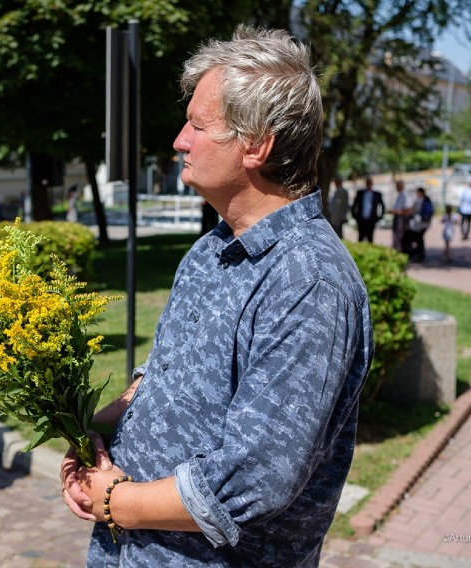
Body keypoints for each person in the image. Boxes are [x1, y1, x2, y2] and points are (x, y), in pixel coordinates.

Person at [61, 26, 373, 567]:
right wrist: (92, 428)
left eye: (198, 125)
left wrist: (113, 499)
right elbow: (159, 379)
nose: (180, 139)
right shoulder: (213, 248)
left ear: (257, 145)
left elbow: (252, 480)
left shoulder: (308, 280)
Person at [403, 186, 433, 262]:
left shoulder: (419, 200)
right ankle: (419, 254)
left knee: (417, 239)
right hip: (424, 223)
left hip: (419, 223)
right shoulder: (427, 200)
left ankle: (418, 254)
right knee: (419, 239)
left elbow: (413, 210)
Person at [351, 176, 384, 242]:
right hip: (361, 220)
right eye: (367, 183)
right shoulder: (360, 193)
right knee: (360, 238)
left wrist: (379, 217)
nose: (369, 184)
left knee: (370, 239)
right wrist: (354, 216)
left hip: (371, 220)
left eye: (370, 183)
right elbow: (354, 205)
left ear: (372, 184)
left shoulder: (377, 194)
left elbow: (382, 206)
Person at [388, 179, 413, 253]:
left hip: (402, 219)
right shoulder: (400, 195)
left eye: (397, 186)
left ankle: (401, 253)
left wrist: (396, 211)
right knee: (397, 237)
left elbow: (409, 209)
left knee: (401, 238)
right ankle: (398, 252)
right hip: (398, 218)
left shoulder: (406, 195)